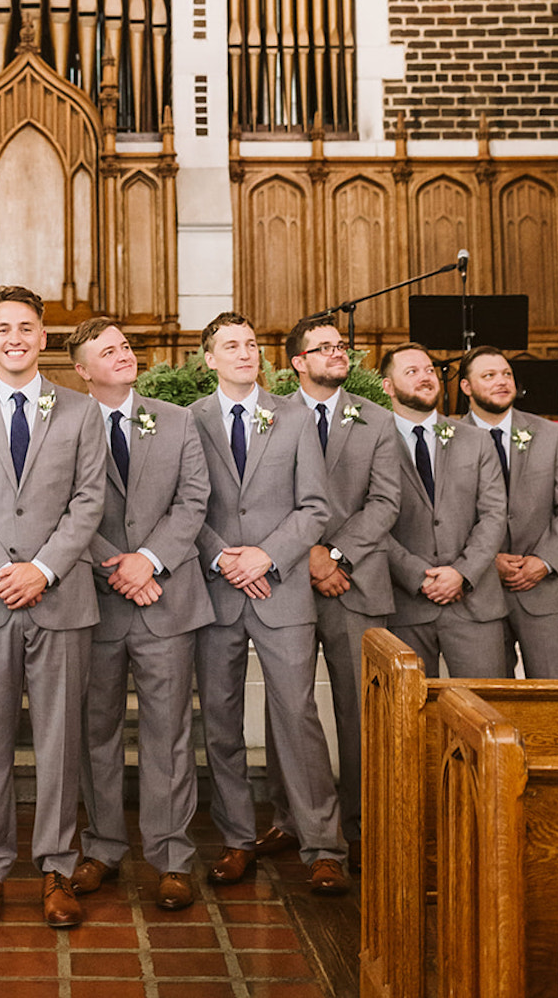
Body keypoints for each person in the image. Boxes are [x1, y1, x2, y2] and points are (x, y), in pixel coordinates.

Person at [0, 285, 106, 930]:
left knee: (61, 741)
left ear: (43, 338)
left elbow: (89, 501)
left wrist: (42, 568)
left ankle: (58, 867)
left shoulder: (80, 411)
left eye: (26, 327)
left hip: (60, 596)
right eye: (2, 327)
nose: (14, 337)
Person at [190, 311, 348, 895]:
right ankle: (236, 840)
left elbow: (314, 507)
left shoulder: (294, 417)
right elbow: (187, 505)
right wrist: (224, 557)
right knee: (221, 724)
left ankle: (323, 845)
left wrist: (266, 557)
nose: (244, 352)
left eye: (251, 343)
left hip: (281, 591)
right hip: (215, 592)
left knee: (297, 716)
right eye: (230, 344)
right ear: (208, 358)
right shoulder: (189, 421)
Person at [67, 317, 211, 913]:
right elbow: (63, 506)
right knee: (94, 731)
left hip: (166, 599)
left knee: (169, 733)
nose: (123, 355)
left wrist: (149, 562)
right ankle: (102, 846)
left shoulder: (177, 421)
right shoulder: (64, 423)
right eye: (108, 350)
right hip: (94, 604)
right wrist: (114, 566)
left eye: (125, 346)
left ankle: (172, 855)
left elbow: (194, 499)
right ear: (82, 370)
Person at [259, 314, 401, 873]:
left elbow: (386, 503)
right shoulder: (271, 415)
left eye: (340, 346)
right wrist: (307, 554)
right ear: (298, 362)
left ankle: (360, 821)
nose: (337, 354)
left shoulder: (377, 421)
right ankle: (289, 817)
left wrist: (334, 554)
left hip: (355, 581)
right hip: (285, 579)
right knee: (287, 703)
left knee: (359, 708)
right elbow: (266, 499)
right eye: (323, 348)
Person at [379, 342, 508, 677]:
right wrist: (416, 576)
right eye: (412, 371)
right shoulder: (373, 443)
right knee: (408, 721)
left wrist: (462, 573)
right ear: (387, 386)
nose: (426, 377)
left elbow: (494, 515)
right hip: (404, 606)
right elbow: (369, 518)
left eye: (429, 370)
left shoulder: (475, 440)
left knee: (486, 715)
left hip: (474, 604)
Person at [460, 344, 558, 677]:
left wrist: (543, 562)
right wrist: (486, 560)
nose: (502, 381)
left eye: (507, 374)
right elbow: (443, 518)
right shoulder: (448, 439)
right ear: (466, 387)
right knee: (491, 709)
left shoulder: (550, 434)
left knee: (555, 702)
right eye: (489, 375)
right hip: (479, 595)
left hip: (545, 591)